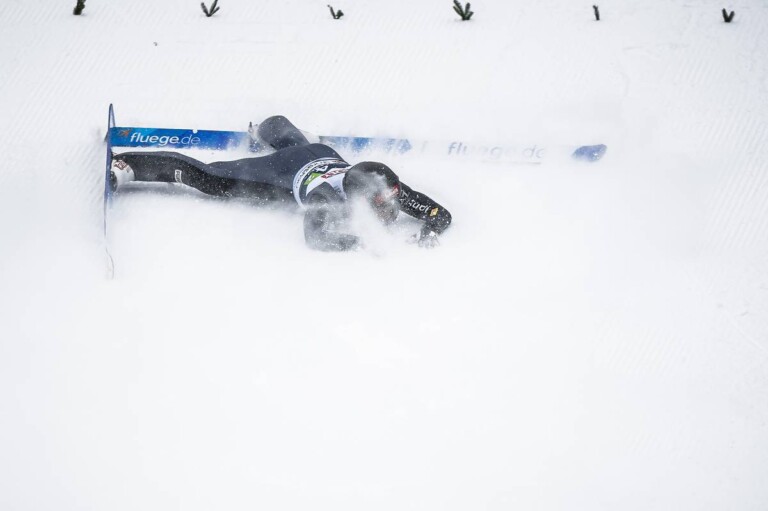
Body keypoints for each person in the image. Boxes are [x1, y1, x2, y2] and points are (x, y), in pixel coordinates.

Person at [110, 115, 452, 251]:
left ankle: (270, 124)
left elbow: (440, 214)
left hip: (319, 151)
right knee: (212, 178)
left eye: (390, 195)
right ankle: (129, 166)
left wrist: (430, 231)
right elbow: (315, 238)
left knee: (297, 142)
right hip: (283, 173)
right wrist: (360, 243)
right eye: (379, 201)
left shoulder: (385, 185)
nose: (391, 202)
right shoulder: (327, 200)